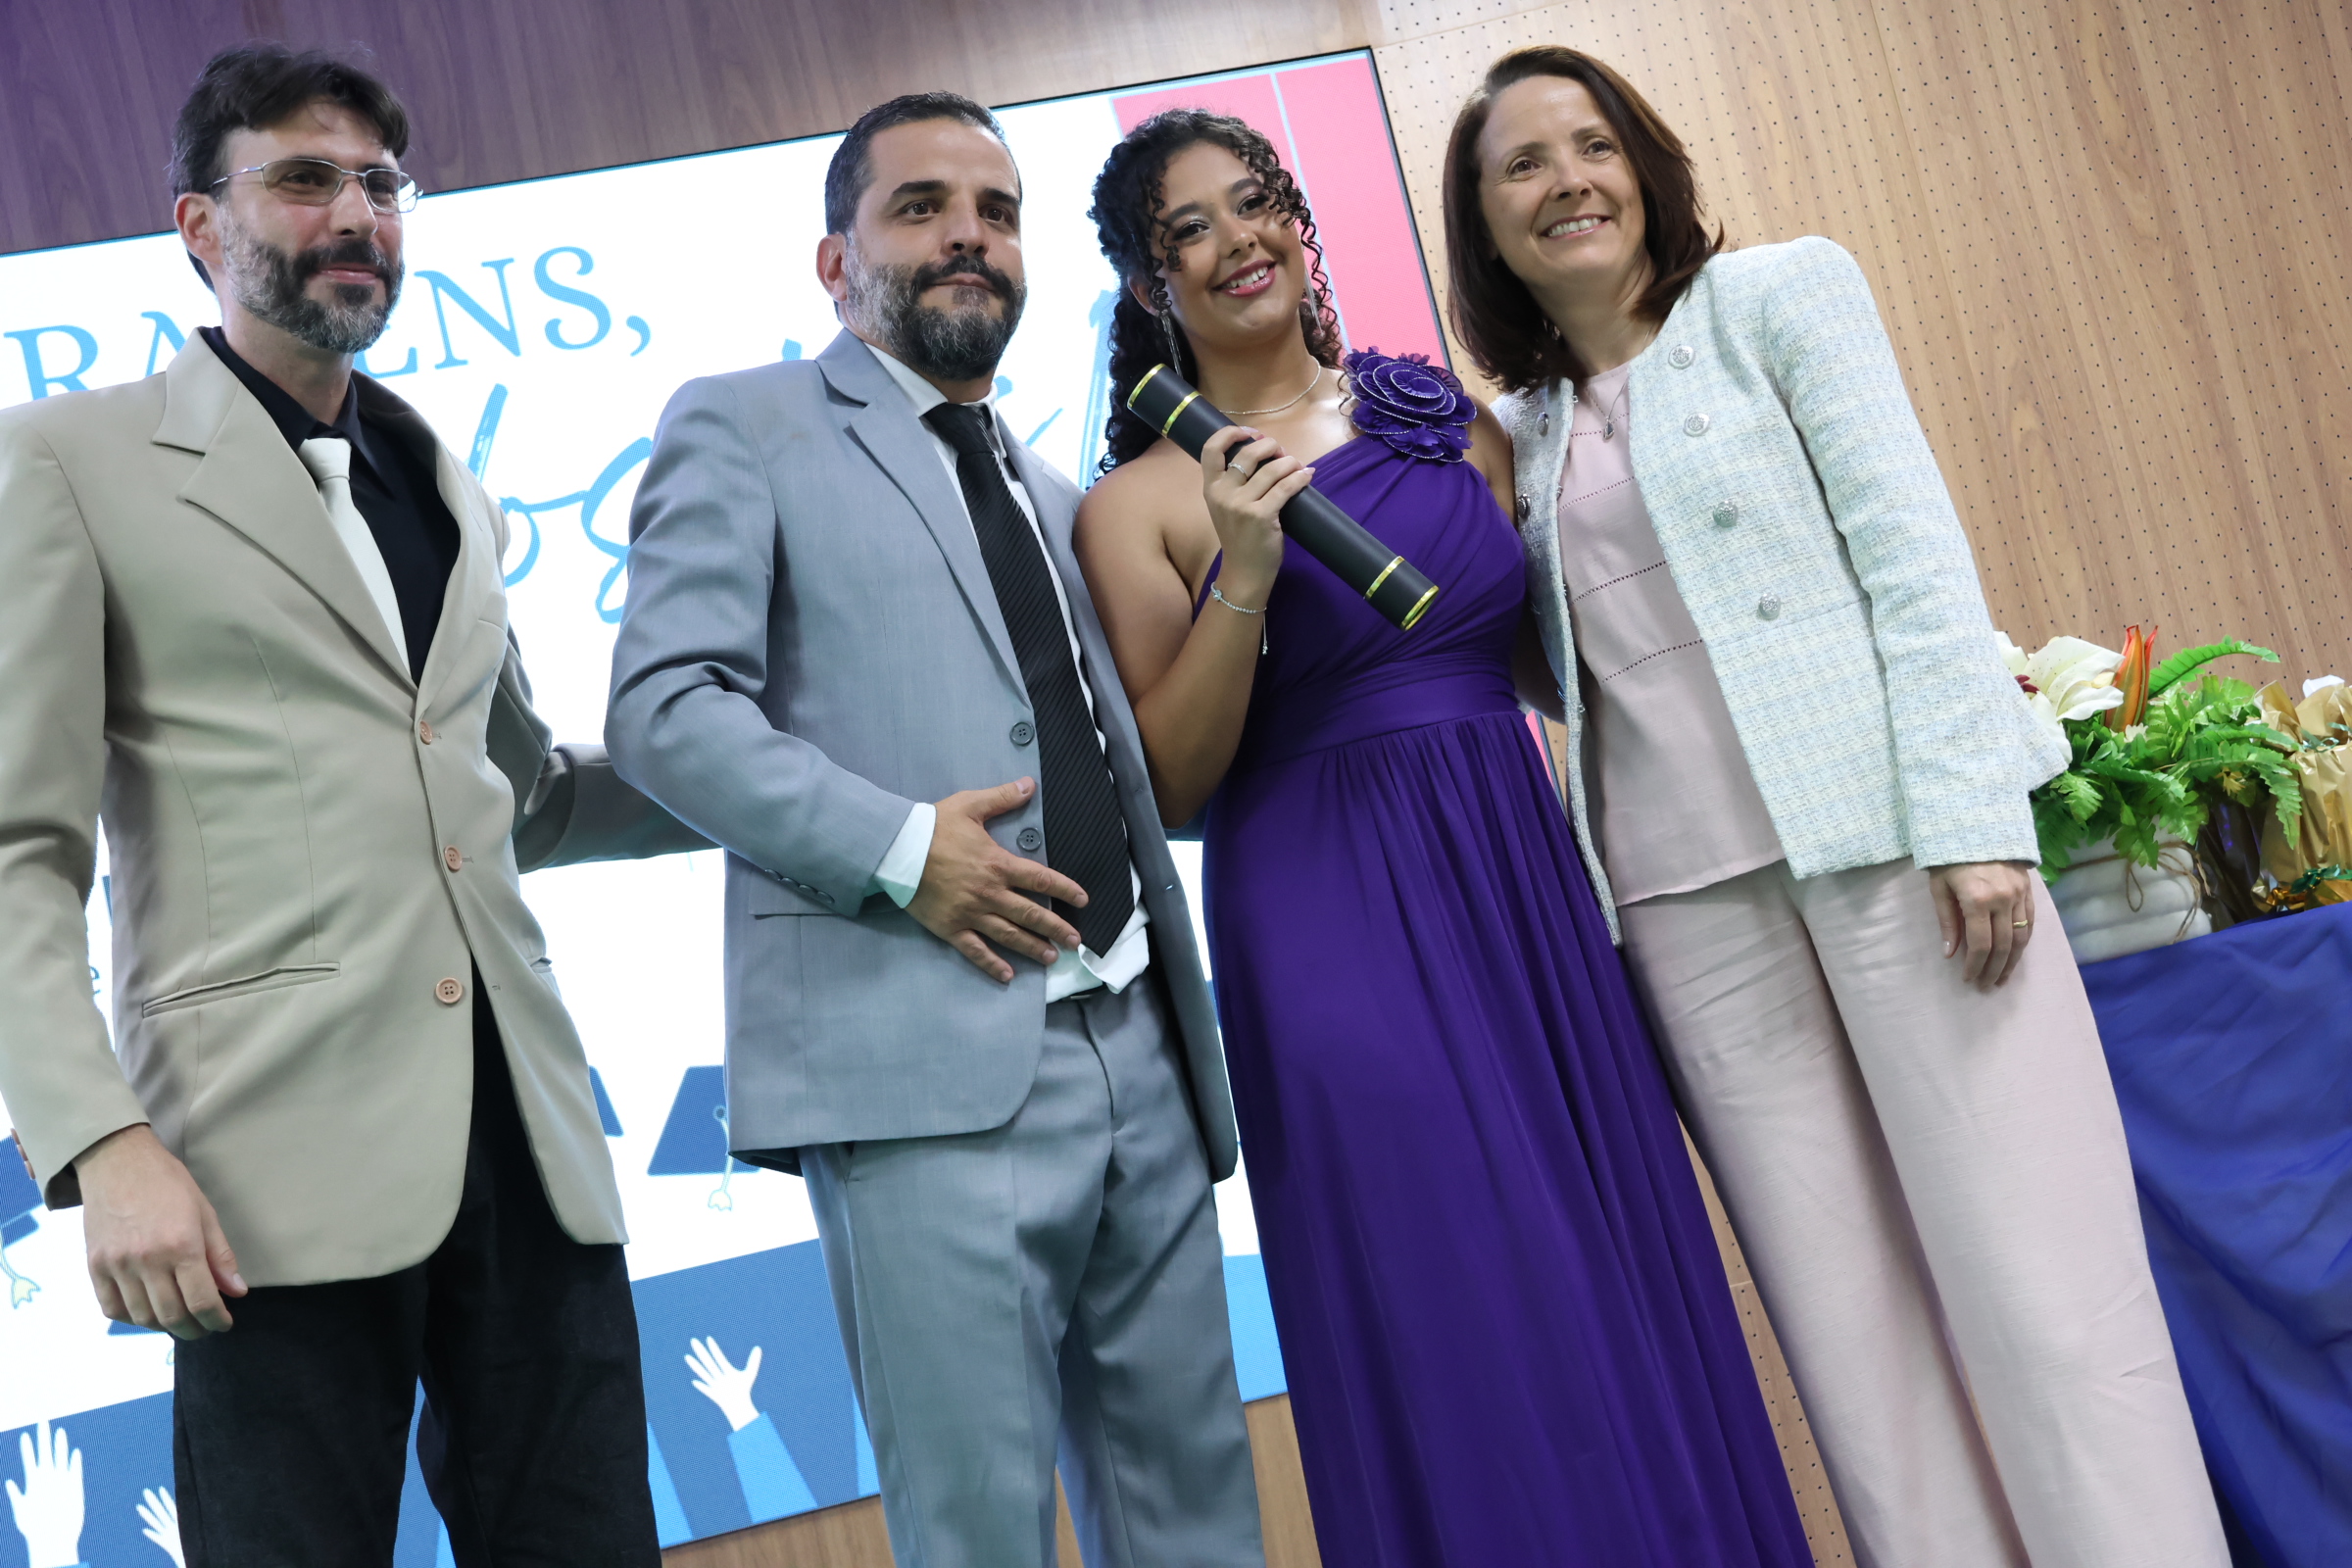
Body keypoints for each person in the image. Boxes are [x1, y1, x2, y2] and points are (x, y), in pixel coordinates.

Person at [1442, 45, 2229, 1568]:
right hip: (1686, 910)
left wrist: (1975, 821)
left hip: (1900, 856)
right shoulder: (1515, 433)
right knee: (1854, 1343)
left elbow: (1913, 553)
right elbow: (1559, 669)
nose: (1566, 182)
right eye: (1520, 165)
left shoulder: (1779, 297)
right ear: (1483, 224)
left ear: (1643, 162)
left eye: (1590, 144)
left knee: (2049, 1300)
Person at [1073, 108, 1813, 1567]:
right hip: (1327, 916)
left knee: (1600, 1256)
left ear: (1299, 221)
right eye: (1188, 231)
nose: (1237, 242)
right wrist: (1245, 572)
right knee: (1457, 1282)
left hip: (1520, 885)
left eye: (1256, 202)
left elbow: (1560, 659)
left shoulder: (1444, 416)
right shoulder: (1139, 505)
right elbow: (1174, 787)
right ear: (1151, 287)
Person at [0, 43, 705, 1568]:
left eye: (381, 185)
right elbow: (16, 854)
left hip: (531, 1154)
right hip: (260, 1174)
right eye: (305, 179)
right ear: (200, 225)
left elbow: (524, 799)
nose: (356, 217)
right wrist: (101, 1143)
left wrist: (782, 790)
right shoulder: (65, 461)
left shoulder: (443, 479)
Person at [604, 93, 1264, 1568]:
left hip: (1142, 1048)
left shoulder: (1053, 488)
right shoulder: (742, 423)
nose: (970, 234)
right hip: (920, 1077)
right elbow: (663, 709)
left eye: (998, 212)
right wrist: (904, 853)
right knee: (980, 1536)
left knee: (1201, 1520)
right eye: (921, 207)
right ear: (835, 263)